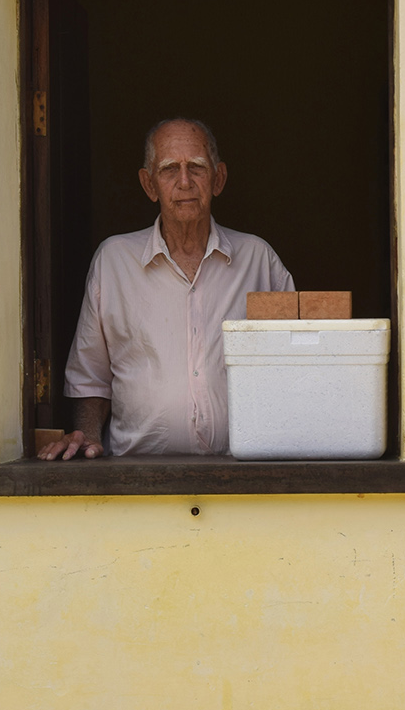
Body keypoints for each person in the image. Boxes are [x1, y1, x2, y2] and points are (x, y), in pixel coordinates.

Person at [39, 118, 294, 459]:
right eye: (170, 169)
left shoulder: (258, 260)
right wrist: (87, 437)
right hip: (135, 477)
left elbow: (294, 368)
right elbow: (90, 380)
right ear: (149, 184)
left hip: (240, 474)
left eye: (197, 168)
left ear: (218, 179)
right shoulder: (113, 261)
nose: (185, 181)